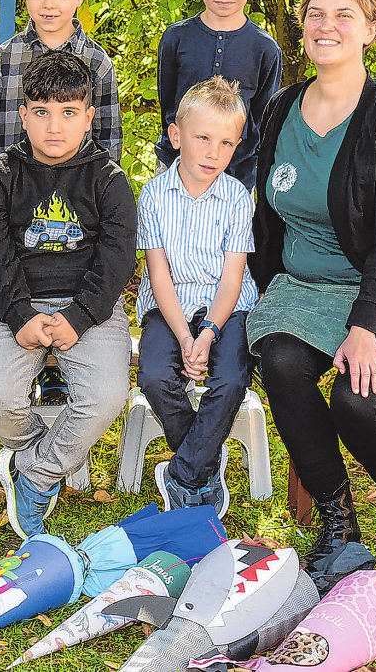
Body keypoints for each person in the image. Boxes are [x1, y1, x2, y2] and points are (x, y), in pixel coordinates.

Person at [246, 0, 376, 571]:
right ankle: (339, 522)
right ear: (301, 28)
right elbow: (267, 217)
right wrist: (256, 290)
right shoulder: (280, 110)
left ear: (372, 32)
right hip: (304, 285)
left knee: (357, 402)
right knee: (279, 359)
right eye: (316, 14)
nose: (326, 26)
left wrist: (365, 327)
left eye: (344, 15)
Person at [0, 50, 137, 539]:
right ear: (23, 115)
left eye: (68, 113)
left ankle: (38, 472)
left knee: (106, 396)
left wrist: (81, 316)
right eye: (41, 112)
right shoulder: (0, 176)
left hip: (91, 307)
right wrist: (20, 314)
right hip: (13, 304)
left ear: (88, 116)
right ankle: (34, 447)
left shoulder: (108, 178)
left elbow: (117, 256)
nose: (54, 127)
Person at [0, 0, 122, 402]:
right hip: (13, 201)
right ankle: (23, 356)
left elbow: (108, 144)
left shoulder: (97, 64)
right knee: (21, 270)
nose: (48, 3)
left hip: (74, 207)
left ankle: (60, 367)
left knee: (67, 271)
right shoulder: (6, 57)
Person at [136, 77, 257, 519]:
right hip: (168, 305)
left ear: (237, 146)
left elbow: (232, 279)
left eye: (226, 143)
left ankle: (185, 472)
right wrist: (184, 337)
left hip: (229, 306)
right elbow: (159, 275)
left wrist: (207, 334)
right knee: (154, 375)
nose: (212, 153)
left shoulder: (237, 197)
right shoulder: (152, 195)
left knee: (230, 379)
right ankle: (205, 459)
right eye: (202, 138)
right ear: (175, 136)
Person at [156, 0, 282, 191]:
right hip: (175, 167)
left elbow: (261, 118)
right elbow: (168, 103)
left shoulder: (265, 48)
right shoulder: (176, 38)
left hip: (237, 175)